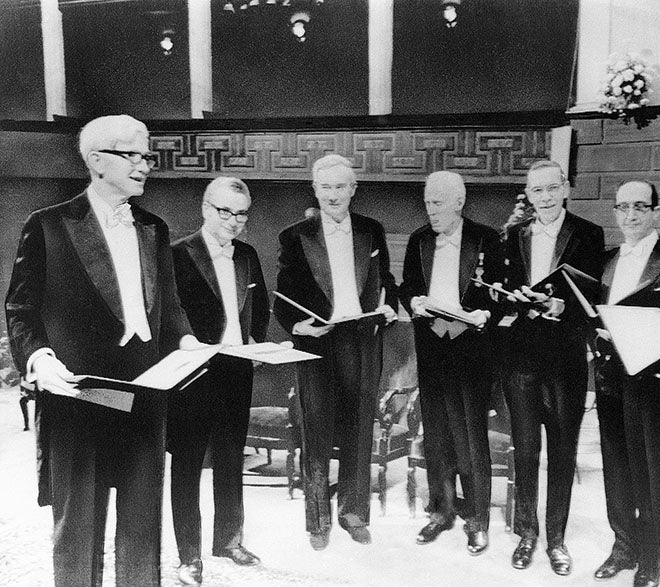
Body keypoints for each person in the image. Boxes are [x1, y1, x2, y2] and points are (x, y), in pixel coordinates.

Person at [4, 114, 198, 587]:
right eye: (131, 155)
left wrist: (191, 343)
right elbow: (21, 307)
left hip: (146, 398)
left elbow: (169, 310)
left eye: (146, 155)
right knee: (79, 532)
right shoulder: (48, 225)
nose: (143, 165)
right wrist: (39, 358)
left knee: (141, 531)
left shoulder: (155, 227)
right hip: (79, 396)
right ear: (95, 161)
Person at [273, 154, 398, 550]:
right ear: (315, 189)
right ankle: (317, 520)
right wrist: (297, 326)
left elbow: (386, 281)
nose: (333, 195)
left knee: (360, 426)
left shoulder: (372, 231)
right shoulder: (295, 236)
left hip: (362, 339)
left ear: (353, 190)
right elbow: (283, 296)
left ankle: (354, 512)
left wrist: (391, 303)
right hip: (316, 342)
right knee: (317, 429)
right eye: (325, 187)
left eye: (341, 187)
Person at [500, 160, 604, 575]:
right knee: (525, 450)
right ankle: (527, 533)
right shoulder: (513, 235)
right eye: (536, 191)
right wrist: (512, 298)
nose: (543, 198)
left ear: (565, 189)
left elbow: (592, 298)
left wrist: (564, 307)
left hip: (565, 359)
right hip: (521, 358)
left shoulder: (588, 234)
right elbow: (501, 296)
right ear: (529, 193)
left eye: (550, 189)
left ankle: (556, 540)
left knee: (562, 452)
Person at [168, 177, 270, 585]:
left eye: (241, 214)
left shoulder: (247, 253)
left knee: (231, 457)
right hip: (194, 372)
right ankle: (188, 555)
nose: (233, 221)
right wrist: (185, 343)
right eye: (225, 211)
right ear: (206, 208)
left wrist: (257, 346)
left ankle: (228, 539)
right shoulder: (177, 253)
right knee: (189, 463)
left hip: (236, 368)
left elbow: (259, 304)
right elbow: (169, 311)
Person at [592, 181, 660, 587]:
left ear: (656, 210)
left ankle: (650, 561)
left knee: (649, 473)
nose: (629, 216)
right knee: (615, 468)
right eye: (621, 208)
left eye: (639, 207)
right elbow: (592, 312)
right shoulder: (606, 260)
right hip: (608, 375)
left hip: (650, 380)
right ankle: (622, 547)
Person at [399, 171, 502, 556]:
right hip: (431, 344)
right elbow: (407, 284)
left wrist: (484, 315)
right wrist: (413, 302)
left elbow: (498, 292)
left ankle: (477, 521)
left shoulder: (486, 239)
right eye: (427, 203)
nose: (431, 210)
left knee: (471, 438)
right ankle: (440, 511)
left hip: (470, 348)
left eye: (438, 203)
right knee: (437, 433)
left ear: (459, 202)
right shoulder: (419, 240)